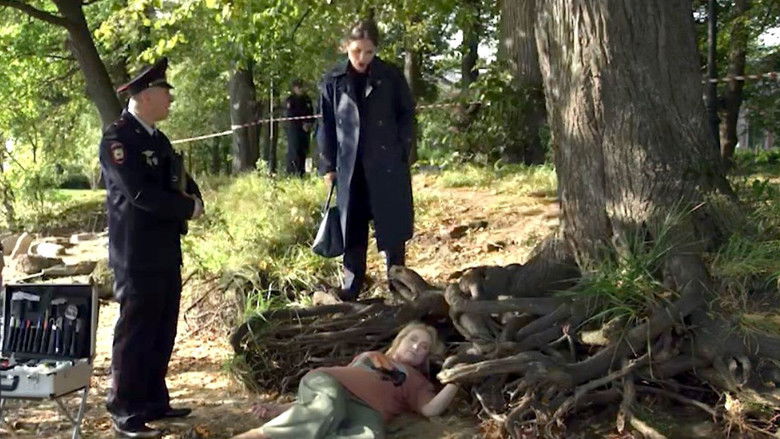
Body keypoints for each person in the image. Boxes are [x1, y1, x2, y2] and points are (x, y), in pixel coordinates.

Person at [99, 57, 204, 438]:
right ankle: (125, 409)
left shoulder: (157, 139)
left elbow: (178, 178)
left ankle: (153, 400)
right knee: (136, 331)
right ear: (145, 96)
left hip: (164, 249)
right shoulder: (118, 139)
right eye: (165, 92)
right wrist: (187, 208)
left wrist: (196, 199)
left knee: (162, 328)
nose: (170, 99)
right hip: (135, 253)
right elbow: (139, 193)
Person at [317, 19, 416, 301]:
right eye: (356, 51)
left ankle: (398, 286)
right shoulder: (333, 80)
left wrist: (402, 151)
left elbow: (407, 115)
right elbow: (325, 125)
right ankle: (352, 287)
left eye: (369, 52)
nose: (362, 58)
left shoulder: (391, 76)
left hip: (387, 165)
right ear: (346, 47)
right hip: (350, 169)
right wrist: (328, 165)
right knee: (352, 228)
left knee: (392, 228)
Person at [231, 322, 459, 439]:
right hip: (333, 384)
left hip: (367, 411)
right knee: (327, 408)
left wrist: (456, 380)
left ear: (426, 356)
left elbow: (430, 409)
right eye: (413, 339)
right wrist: (280, 408)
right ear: (400, 341)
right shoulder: (372, 355)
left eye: (424, 346)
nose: (416, 346)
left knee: (370, 435)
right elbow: (320, 402)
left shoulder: (417, 381)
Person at [285, 79, 314, 176]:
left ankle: (302, 172)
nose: (301, 89)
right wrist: (301, 124)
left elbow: (311, 113)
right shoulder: (291, 100)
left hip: (305, 130)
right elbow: (291, 115)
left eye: (302, 87)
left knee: (304, 150)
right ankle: (292, 172)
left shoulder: (307, 99)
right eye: (299, 87)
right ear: (294, 88)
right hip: (294, 129)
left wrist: (309, 123)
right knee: (294, 150)